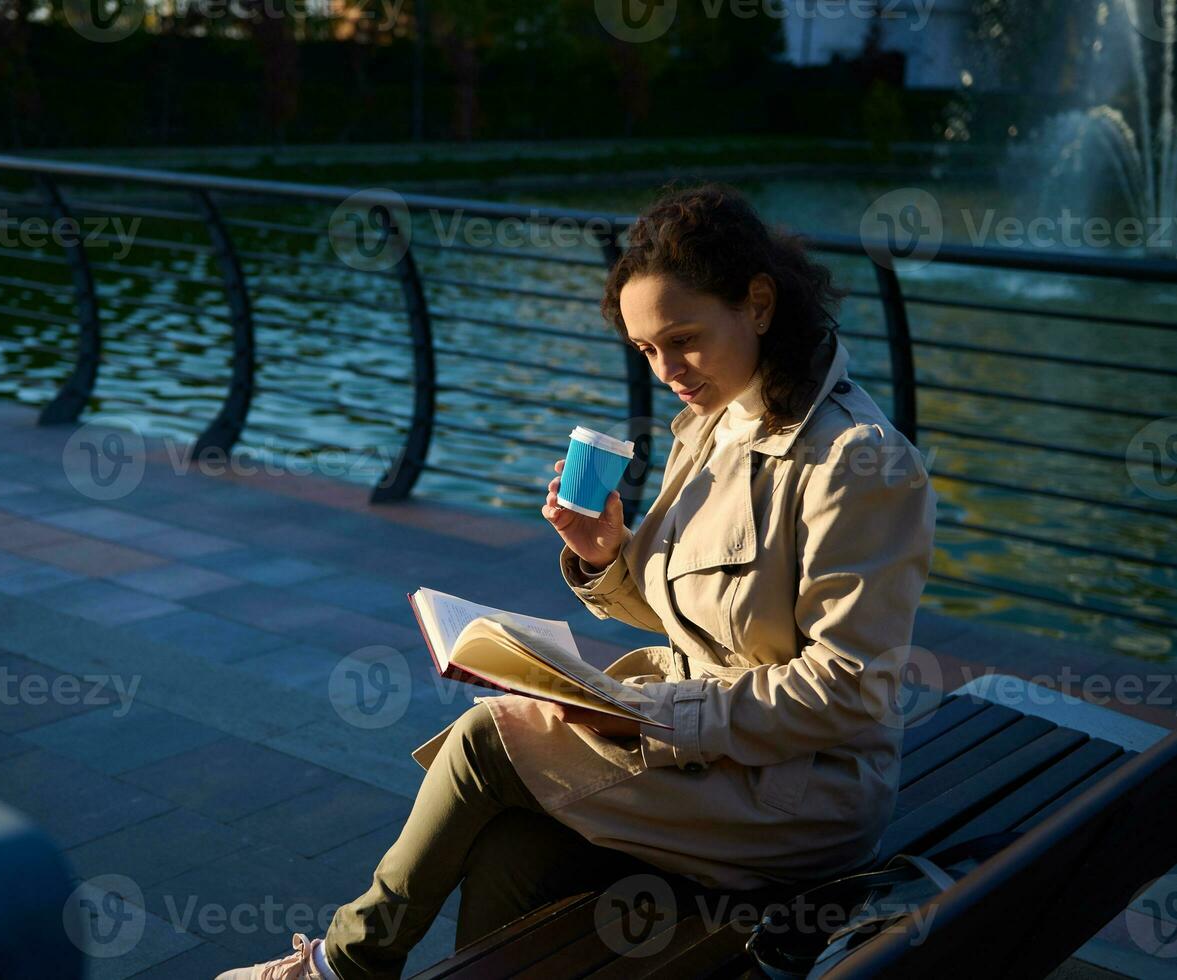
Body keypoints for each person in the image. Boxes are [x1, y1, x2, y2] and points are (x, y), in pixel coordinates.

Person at [216, 182, 938, 980]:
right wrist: (606, 554)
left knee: (490, 738)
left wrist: (648, 714)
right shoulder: (716, 420)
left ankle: (343, 965)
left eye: (683, 339)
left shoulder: (858, 463)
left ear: (758, 303)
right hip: (711, 755)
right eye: (646, 351)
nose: (667, 370)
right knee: (513, 841)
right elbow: (704, 618)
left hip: (798, 802)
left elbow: (850, 688)